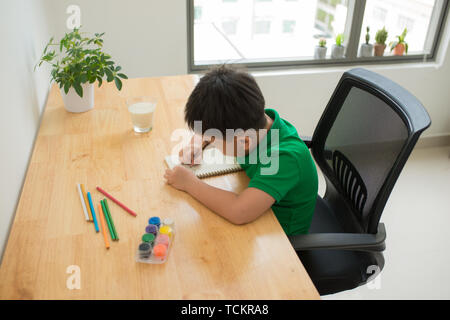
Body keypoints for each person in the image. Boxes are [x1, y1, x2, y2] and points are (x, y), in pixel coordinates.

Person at [164, 65, 318, 235]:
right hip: (262, 209)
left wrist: (189, 183)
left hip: (281, 239)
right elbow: (217, 127)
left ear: (244, 142)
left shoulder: (283, 158)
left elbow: (239, 211)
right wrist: (196, 144)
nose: (211, 141)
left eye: (215, 140)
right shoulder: (256, 122)